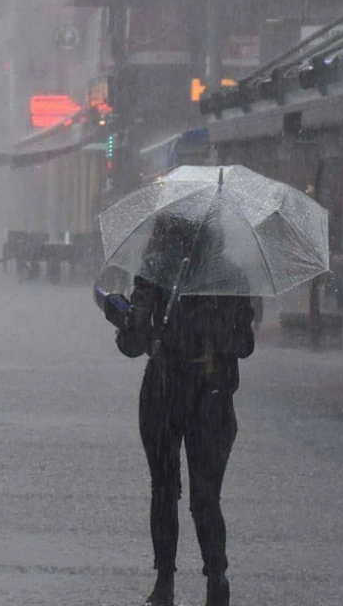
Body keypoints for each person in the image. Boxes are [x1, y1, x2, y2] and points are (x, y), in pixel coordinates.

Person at [109, 215, 256, 606]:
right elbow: (244, 345)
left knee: (164, 490)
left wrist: (123, 318)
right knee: (205, 496)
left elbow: (133, 344)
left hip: (165, 392)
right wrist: (213, 333)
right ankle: (216, 579)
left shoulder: (156, 272)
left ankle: (166, 582)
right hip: (211, 396)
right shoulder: (231, 277)